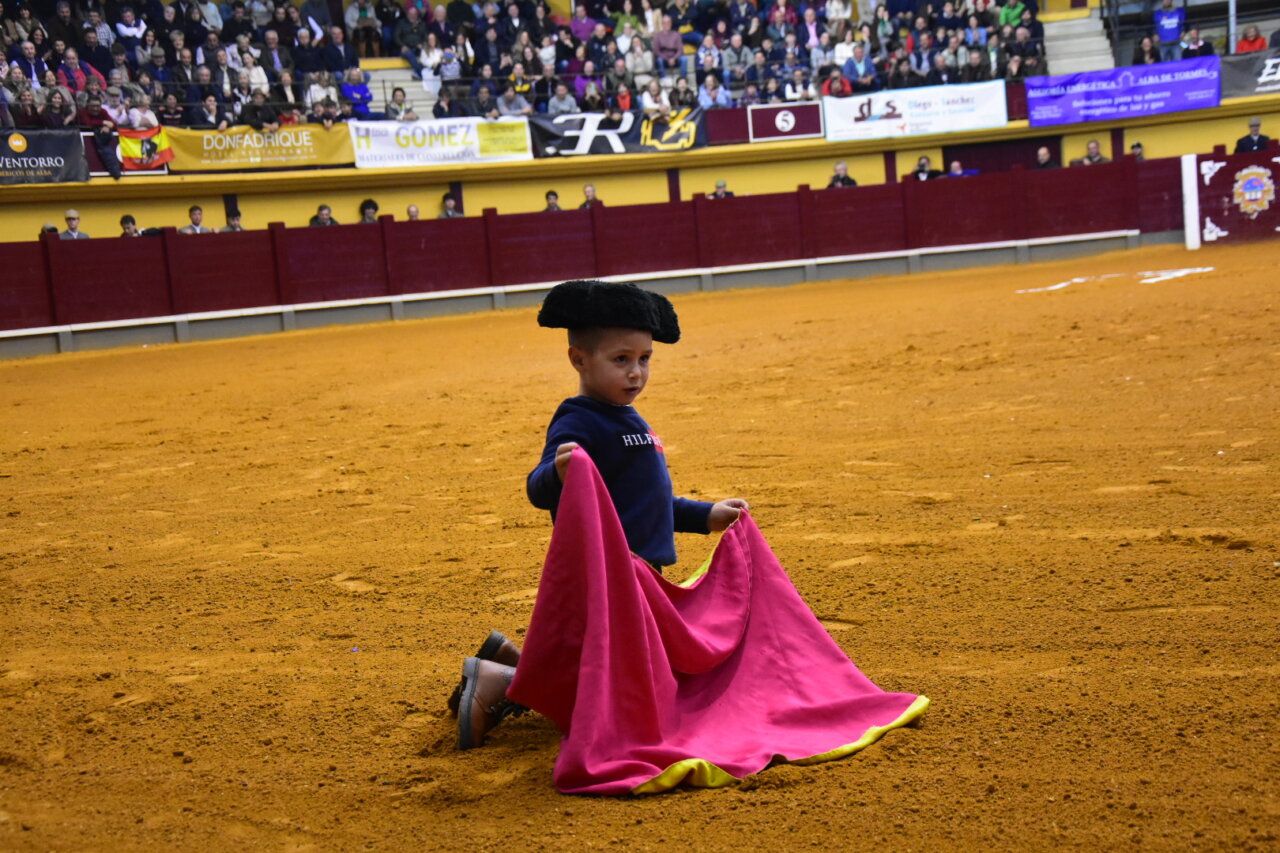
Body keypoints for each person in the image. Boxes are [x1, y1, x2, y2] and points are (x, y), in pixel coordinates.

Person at [451, 280, 750, 749]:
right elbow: (537, 487)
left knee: (613, 671)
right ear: (579, 360)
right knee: (614, 685)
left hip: (639, 576)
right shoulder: (579, 420)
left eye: (644, 359)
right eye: (621, 360)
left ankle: (510, 662)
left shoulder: (631, 420)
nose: (636, 373)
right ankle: (498, 681)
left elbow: (650, 503)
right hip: (608, 576)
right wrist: (561, 470)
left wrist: (707, 514)